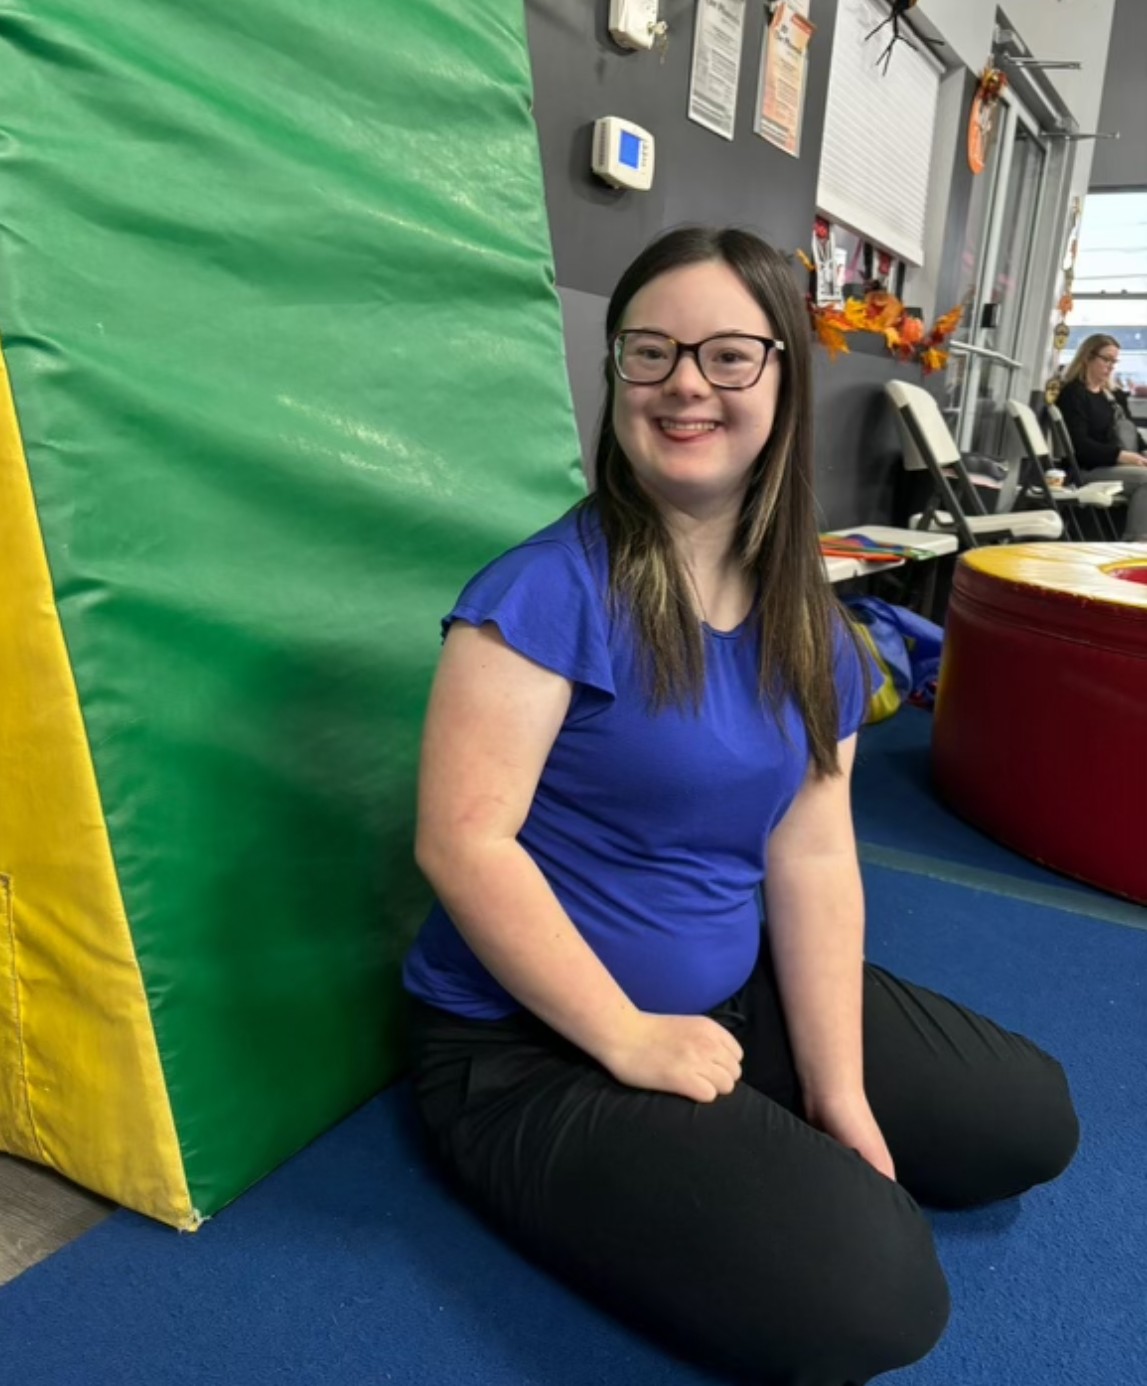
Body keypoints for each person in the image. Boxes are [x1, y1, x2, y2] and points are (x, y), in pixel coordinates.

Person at [402, 227, 1079, 1386]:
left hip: (727, 997)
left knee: (1026, 1120)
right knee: (877, 1300)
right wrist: (625, 1037)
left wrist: (837, 1092)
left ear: (781, 379)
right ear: (614, 373)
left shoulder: (810, 619)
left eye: (726, 356)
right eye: (650, 351)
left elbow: (812, 854)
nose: (682, 385)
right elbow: (461, 842)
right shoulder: (535, 595)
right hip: (527, 1046)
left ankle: (763, 1087)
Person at [1056, 333, 1147, 540]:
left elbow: (1131, 433)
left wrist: (1143, 451)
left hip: (1117, 465)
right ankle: (1137, 547)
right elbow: (1080, 446)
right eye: (1106, 359)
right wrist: (1123, 456)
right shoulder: (1073, 394)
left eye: (1114, 361)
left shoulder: (1113, 397)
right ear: (1088, 357)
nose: (1111, 366)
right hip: (1086, 470)